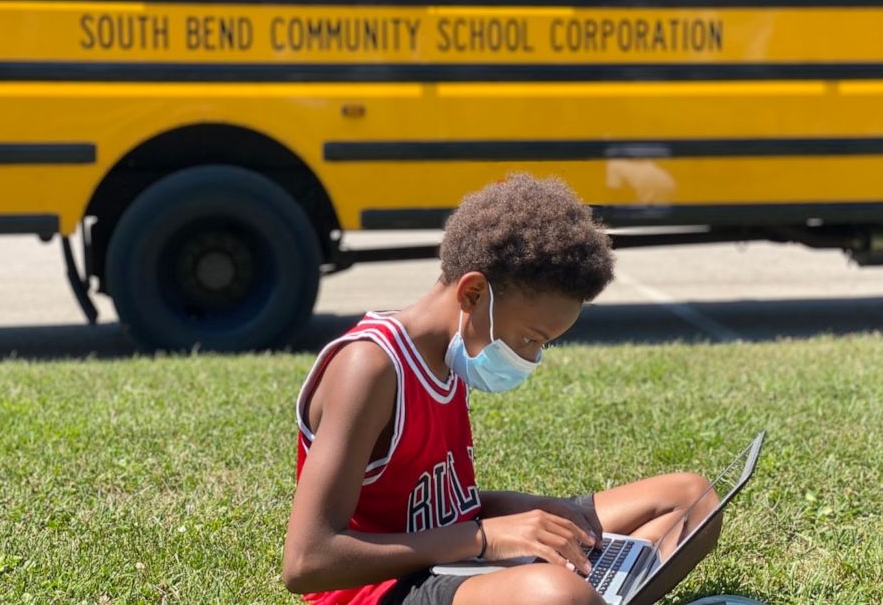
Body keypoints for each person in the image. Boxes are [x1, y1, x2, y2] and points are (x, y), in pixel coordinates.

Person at [282, 174, 720, 605]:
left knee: (690, 500)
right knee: (556, 595)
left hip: (457, 556)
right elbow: (308, 562)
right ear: (473, 294)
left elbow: (426, 509)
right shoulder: (370, 367)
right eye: (530, 338)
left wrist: (521, 507)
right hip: (387, 586)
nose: (531, 358)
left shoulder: (453, 353)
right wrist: (483, 537)